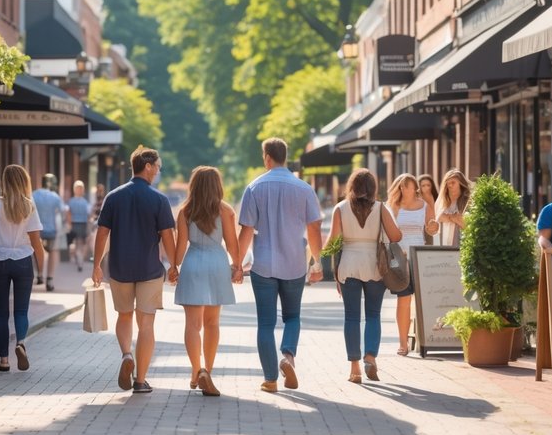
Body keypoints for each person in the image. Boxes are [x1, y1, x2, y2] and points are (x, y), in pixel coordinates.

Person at [235, 137, 323, 393]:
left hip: (263, 264)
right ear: (285, 156)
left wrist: (238, 264)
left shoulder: (254, 188)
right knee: (293, 316)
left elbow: (246, 230)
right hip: (295, 262)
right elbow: (315, 227)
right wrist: (316, 262)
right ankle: (288, 357)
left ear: (267, 158)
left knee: (265, 323)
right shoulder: (304, 188)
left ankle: (270, 378)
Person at [92, 145, 177, 394]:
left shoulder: (114, 196)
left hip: (119, 268)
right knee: (147, 324)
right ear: (147, 166)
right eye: (158, 167)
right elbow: (167, 237)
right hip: (150, 269)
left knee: (124, 315)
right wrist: (173, 265)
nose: (158, 171)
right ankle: (140, 380)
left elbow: (102, 233)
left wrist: (96, 264)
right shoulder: (159, 199)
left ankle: (126, 354)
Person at [173, 166, 240, 397]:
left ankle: (195, 370)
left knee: (192, 324)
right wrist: (237, 266)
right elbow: (232, 244)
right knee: (213, 323)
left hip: (193, 262)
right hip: (217, 263)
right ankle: (207, 372)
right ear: (217, 185)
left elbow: (180, 249)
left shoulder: (185, 211)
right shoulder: (225, 210)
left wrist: (174, 266)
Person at [333, 169, 403, 383]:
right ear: (373, 188)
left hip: (349, 264)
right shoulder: (381, 208)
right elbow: (396, 236)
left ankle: (354, 369)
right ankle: (370, 358)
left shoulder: (340, 208)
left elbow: (334, 244)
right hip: (374, 264)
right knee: (373, 315)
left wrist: (336, 274)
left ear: (351, 187)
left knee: (351, 317)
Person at [0, 164, 46, 372]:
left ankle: (4, 361)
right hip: (23, 260)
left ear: (4, 182)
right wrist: (42, 269)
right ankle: (21, 343)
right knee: (20, 310)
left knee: (0, 313)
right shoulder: (29, 206)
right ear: (24, 181)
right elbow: (36, 241)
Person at [387, 173, 440, 356]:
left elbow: (432, 227)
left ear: (413, 188)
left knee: (425, 300)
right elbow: (387, 232)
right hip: (400, 258)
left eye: (406, 186)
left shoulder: (424, 205)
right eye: (400, 186)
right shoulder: (393, 206)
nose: (403, 189)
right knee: (403, 300)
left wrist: (433, 226)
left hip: (420, 256)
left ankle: (431, 339)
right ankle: (403, 343)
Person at [32, 173, 66, 292]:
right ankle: (50, 279)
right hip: (52, 230)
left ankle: (39, 274)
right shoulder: (55, 196)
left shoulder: (34, 194)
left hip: (36, 230)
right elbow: (63, 211)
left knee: (36, 251)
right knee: (53, 252)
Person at [435, 169, 472, 248]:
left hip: (462, 244)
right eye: (448, 183)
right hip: (442, 244)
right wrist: (453, 218)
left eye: (453, 183)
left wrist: (447, 217)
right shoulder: (442, 202)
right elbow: (436, 222)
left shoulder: (469, 201)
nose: (450, 185)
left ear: (460, 183)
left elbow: (468, 226)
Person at [67, 180, 92, 273]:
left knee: (77, 243)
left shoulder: (71, 201)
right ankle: (80, 260)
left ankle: (78, 258)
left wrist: (69, 224)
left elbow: (68, 214)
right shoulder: (85, 202)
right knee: (80, 243)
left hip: (76, 224)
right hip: (82, 224)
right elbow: (89, 215)